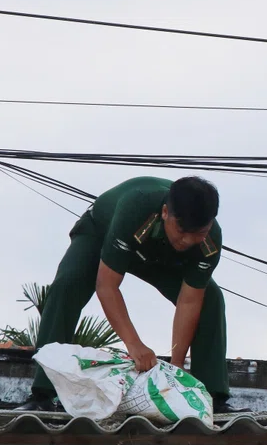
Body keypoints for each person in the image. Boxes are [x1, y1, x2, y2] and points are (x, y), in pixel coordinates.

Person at [17, 176, 247, 414]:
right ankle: (42, 394)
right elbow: (106, 286)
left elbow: (189, 301)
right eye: (182, 230)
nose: (188, 240)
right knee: (68, 284)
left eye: (199, 233)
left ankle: (212, 399)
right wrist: (134, 344)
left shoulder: (210, 241)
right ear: (166, 212)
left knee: (212, 298)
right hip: (102, 232)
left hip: (159, 254)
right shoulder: (136, 206)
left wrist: (175, 368)